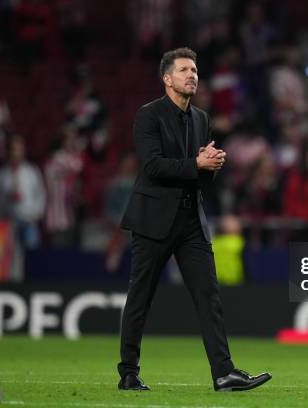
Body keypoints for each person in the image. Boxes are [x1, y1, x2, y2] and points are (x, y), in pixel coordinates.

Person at [117, 47, 271, 392]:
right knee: (140, 298)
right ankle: (128, 372)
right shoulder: (148, 116)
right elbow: (151, 167)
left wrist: (211, 166)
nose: (193, 75)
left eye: (196, 71)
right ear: (167, 78)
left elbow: (197, 177)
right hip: (154, 220)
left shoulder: (201, 118)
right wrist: (196, 164)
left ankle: (224, 373)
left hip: (190, 222)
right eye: (185, 70)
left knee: (209, 297)